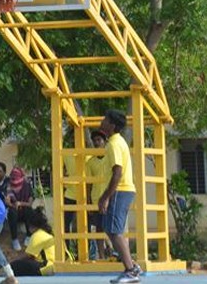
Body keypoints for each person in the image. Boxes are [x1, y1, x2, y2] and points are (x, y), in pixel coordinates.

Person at [98, 109, 140, 284]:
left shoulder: (114, 143)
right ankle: (132, 266)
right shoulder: (116, 142)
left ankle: (131, 271)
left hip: (120, 190)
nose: (102, 121)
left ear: (112, 125)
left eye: (105, 119)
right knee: (111, 229)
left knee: (114, 230)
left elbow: (117, 172)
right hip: (121, 190)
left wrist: (106, 197)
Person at [10, 207, 56, 276]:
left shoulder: (37, 235)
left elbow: (29, 256)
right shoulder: (47, 233)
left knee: (13, 266)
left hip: (45, 267)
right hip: (53, 266)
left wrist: (14, 261)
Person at [86, 129, 109, 260]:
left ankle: (115, 253)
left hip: (110, 199)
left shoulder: (110, 158)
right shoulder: (90, 162)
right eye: (94, 141)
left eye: (99, 140)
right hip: (96, 200)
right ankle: (102, 256)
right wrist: (88, 201)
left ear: (105, 142)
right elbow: (88, 184)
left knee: (113, 229)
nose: (96, 143)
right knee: (99, 229)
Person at [6, 166, 33, 251]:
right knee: (12, 211)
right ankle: (14, 239)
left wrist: (20, 203)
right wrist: (11, 204)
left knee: (28, 210)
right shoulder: (8, 186)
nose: (14, 180)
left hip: (25, 210)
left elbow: (30, 203)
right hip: (14, 211)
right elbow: (8, 202)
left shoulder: (27, 186)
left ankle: (29, 235)